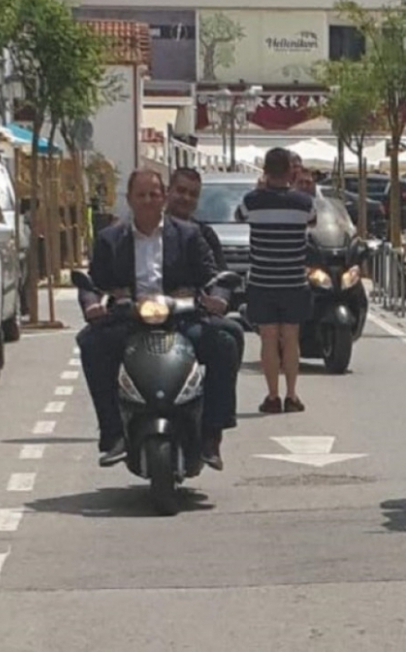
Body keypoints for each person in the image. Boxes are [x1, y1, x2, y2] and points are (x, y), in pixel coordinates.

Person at [76, 169, 239, 471]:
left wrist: (217, 298)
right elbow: (92, 284)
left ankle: (210, 435)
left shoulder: (189, 235)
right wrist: (93, 304)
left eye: (154, 194)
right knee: (91, 343)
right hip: (129, 318)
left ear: (163, 197)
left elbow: (214, 276)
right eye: (141, 195)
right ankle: (113, 434)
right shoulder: (110, 239)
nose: (148, 201)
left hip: (180, 317)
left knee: (225, 340)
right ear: (129, 199)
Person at [237, 148, 317, 414]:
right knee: (291, 338)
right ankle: (292, 395)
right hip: (293, 280)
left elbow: (239, 216)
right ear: (290, 171)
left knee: (268, 339)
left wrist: (259, 189)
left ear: (265, 171)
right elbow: (313, 222)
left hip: (263, 281)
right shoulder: (303, 202)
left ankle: (272, 396)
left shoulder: (252, 201)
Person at [165, 166, 246, 367]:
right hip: (145, 315)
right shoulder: (144, 230)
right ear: (168, 191)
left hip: (190, 314)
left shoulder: (204, 234)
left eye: (193, 194)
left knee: (230, 336)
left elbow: (220, 274)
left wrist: (218, 299)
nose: (186, 198)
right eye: (181, 191)